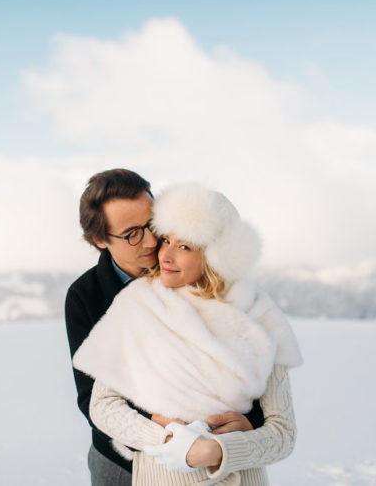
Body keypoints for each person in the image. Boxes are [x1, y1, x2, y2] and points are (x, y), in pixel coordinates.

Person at [73, 183, 303, 485]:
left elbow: (282, 433)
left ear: (216, 254)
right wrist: (168, 439)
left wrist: (220, 451)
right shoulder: (137, 306)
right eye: (165, 239)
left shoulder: (258, 315)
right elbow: (102, 405)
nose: (164, 255)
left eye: (184, 247)